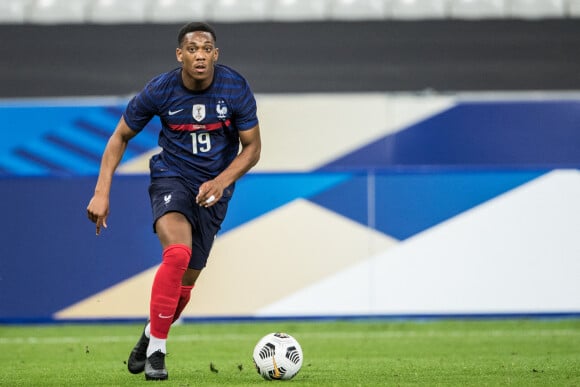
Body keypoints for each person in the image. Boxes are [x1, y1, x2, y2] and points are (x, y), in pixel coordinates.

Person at [86, 22, 261, 381]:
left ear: (215, 54)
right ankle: (158, 353)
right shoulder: (160, 90)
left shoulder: (235, 87)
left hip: (215, 190)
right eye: (192, 49)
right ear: (180, 54)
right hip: (173, 178)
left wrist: (222, 180)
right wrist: (102, 192)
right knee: (177, 255)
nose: (200, 55)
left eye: (206, 49)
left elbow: (253, 148)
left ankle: (150, 334)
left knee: (185, 285)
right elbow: (120, 136)